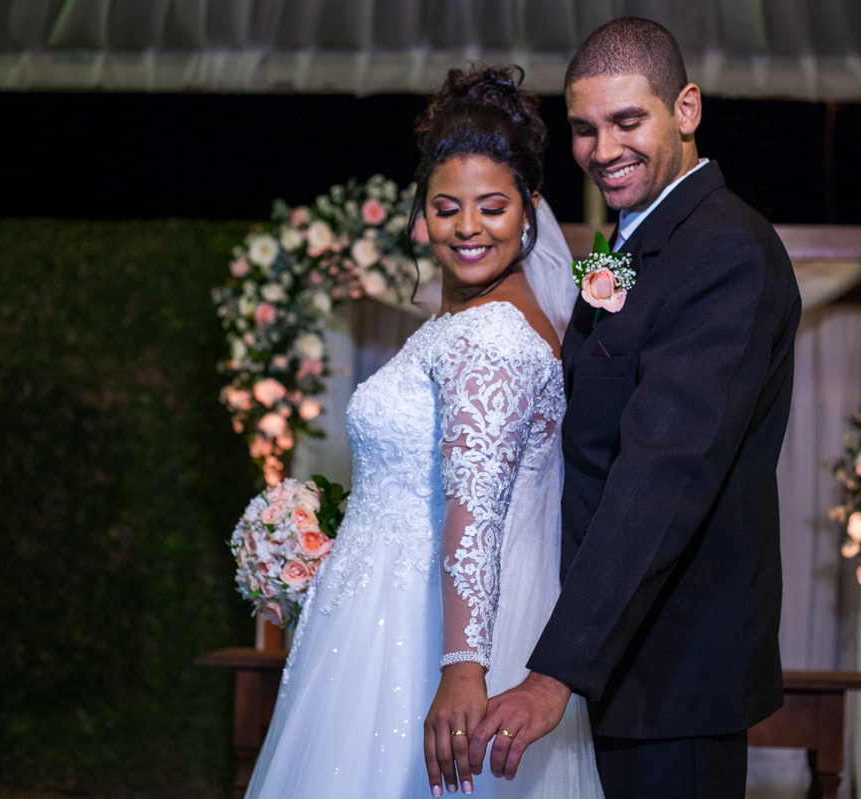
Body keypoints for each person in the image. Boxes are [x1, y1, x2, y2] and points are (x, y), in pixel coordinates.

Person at [243, 65, 604, 799]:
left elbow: (475, 515)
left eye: (491, 206)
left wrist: (462, 669)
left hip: (421, 646)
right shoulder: (456, 325)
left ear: (529, 212)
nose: (467, 226)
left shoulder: (493, 335)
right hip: (383, 625)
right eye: (447, 207)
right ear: (422, 216)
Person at [466, 18, 803, 799]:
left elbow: (664, 474)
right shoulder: (636, 241)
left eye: (627, 121)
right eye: (584, 128)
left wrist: (553, 672)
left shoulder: (725, 252)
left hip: (672, 670)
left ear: (685, 109)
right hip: (620, 657)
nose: (601, 148)